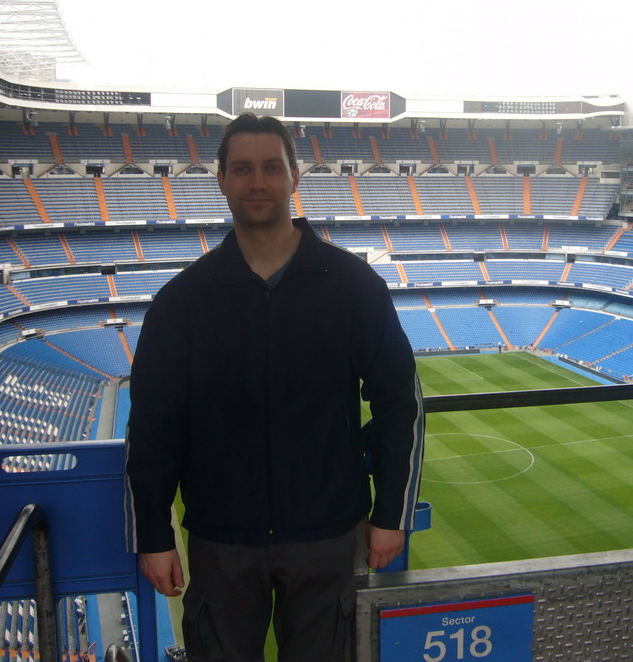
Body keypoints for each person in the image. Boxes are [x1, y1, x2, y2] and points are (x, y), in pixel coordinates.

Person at [124, 113, 424, 662]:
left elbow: (400, 402)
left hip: (329, 536)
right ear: (220, 179)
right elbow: (152, 426)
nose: (256, 182)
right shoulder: (182, 302)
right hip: (221, 540)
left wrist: (390, 516)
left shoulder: (353, 287)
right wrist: (153, 533)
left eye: (270, 168)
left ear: (294, 177)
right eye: (242, 169)